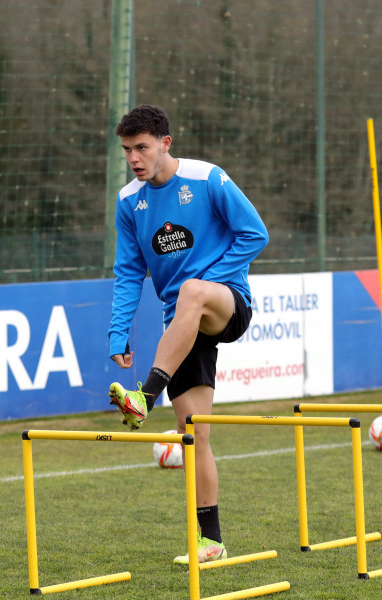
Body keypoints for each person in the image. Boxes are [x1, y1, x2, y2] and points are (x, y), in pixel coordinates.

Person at [106, 105, 269, 563]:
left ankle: (145, 395)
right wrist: (119, 333)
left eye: (142, 147)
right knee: (193, 431)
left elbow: (255, 234)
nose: (134, 158)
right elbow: (127, 272)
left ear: (165, 143)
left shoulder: (208, 178)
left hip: (226, 303)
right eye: (127, 150)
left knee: (193, 290)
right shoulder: (128, 201)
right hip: (179, 323)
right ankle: (211, 540)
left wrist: (213, 278)